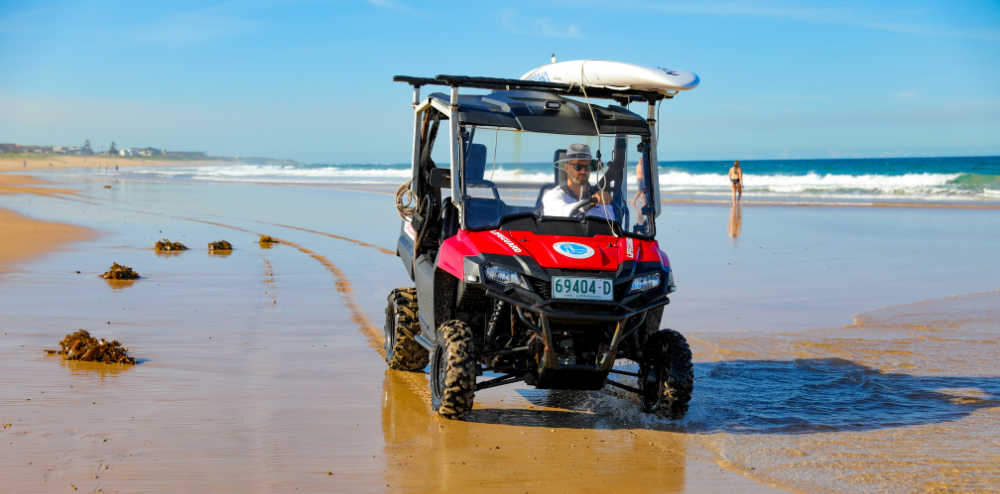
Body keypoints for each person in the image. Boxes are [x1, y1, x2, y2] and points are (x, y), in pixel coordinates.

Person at [541, 143, 614, 219]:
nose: (583, 171)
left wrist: (603, 200)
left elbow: (612, 225)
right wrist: (590, 203)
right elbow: (563, 212)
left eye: (587, 167)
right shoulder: (552, 195)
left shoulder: (601, 202)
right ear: (566, 168)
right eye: (577, 167)